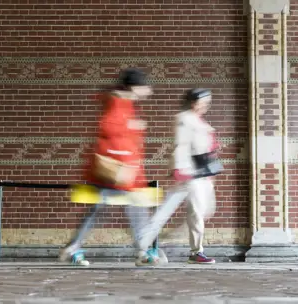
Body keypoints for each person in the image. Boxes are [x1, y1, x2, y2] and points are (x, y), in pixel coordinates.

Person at [58, 68, 160, 267]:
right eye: (145, 87)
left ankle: (73, 247)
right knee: (134, 206)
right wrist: (131, 129)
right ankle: (142, 250)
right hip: (116, 170)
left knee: (99, 209)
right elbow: (109, 129)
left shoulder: (122, 103)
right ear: (135, 87)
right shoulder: (118, 104)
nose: (149, 91)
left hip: (116, 170)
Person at [138, 88, 221, 264]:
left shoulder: (200, 122)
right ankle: (143, 247)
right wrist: (178, 171)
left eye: (208, 101)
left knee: (198, 213)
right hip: (188, 174)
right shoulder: (185, 119)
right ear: (193, 101)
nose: (206, 104)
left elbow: (208, 150)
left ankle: (192, 251)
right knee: (172, 212)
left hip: (200, 175)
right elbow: (181, 145)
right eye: (203, 100)